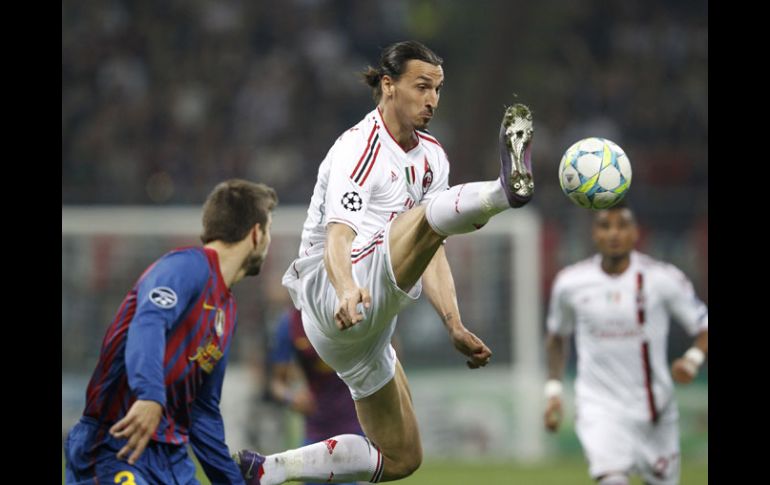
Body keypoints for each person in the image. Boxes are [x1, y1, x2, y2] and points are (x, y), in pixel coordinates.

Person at [234, 40, 534, 484]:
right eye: (422, 86)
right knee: (425, 220)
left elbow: (431, 244)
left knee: (401, 458)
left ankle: (271, 471)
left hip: (368, 334)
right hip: (333, 293)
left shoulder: (432, 157)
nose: (432, 98)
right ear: (389, 86)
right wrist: (345, 287)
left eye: (438, 88)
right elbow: (338, 236)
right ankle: (502, 191)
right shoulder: (359, 148)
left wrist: (453, 322)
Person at [64, 179, 278, 485]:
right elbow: (149, 323)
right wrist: (150, 395)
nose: (268, 241)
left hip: (173, 463)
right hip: (116, 445)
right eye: (268, 229)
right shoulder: (185, 267)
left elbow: (202, 412)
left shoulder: (226, 310)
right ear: (256, 233)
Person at [542, 202, 708, 485]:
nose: (614, 233)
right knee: (612, 479)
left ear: (635, 233)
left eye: (622, 225)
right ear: (594, 234)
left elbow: (703, 325)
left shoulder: (663, 279)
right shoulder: (571, 283)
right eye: (605, 226)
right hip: (599, 406)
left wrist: (692, 361)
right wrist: (554, 391)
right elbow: (557, 336)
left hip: (655, 411)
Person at [267, 308, 365, 485]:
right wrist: (292, 398)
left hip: (355, 424)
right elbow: (277, 383)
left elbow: (389, 355)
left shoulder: (350, 310)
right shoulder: (290, 323)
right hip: (316, 428)